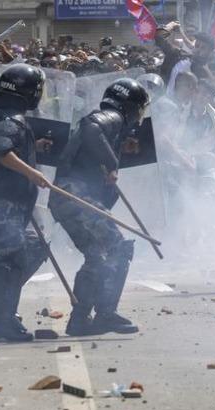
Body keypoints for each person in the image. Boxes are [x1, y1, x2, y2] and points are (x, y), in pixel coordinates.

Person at [50, 78, 150, 336]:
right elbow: (91, 128)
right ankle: (105, 314)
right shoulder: (111, 117)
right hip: (76, 196)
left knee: (97, 255)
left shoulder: (114, 126)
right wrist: (111, 162)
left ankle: (80, 320)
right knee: (118, 248)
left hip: (67, 198)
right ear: (129, 106)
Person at [0, 64, 51, 342]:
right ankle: (1, 317)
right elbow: (1, 151)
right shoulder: (12, 119)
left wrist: (32, 147)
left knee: (4, 255)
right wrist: (33, 173)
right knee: (18, 255)